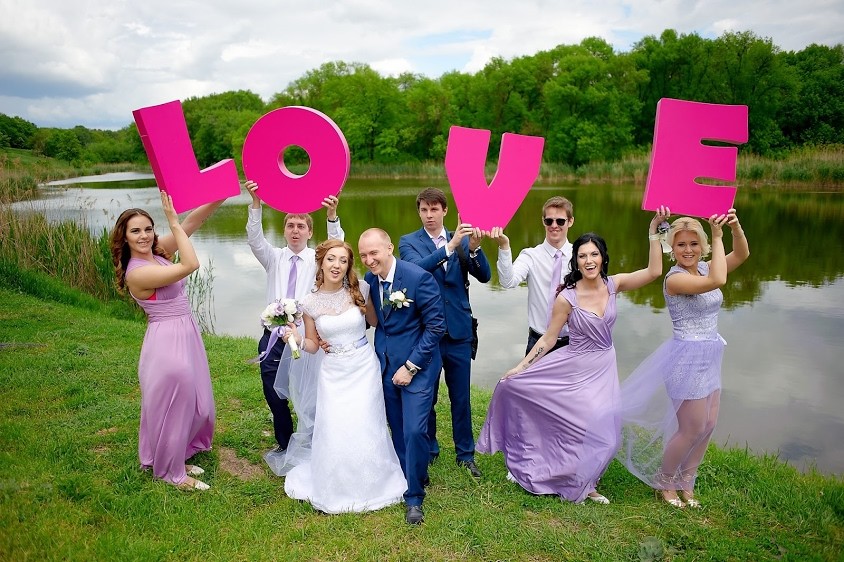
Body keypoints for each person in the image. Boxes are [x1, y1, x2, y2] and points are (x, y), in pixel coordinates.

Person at [477, 208, 670, 504]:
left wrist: (654, 231)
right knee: (577, 424)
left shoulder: (613, 285)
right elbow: (548, 338)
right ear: (576, 261)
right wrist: (520, 368)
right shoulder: (567, 297)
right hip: (575, 365)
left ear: (602, 258)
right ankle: (562, 476)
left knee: (606, 433)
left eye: (594, 255)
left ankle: (586, 480)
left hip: (604, 366)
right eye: (582, 256)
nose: (588, 261)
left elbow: (654, 272)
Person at [618, 210, 749, 508]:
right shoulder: (675, 279)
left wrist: (734, 227)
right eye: (681, 244)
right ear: (672, 248)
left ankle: (686, 481)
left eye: (693, 243)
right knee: (691, 428)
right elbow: (719, 279)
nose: (688, 250)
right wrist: (717, 235)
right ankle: (665, 482)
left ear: (702, 247)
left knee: (709, 424)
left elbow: (742, 255)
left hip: (711, 353)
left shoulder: (704, 268)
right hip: (686, 360)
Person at [280, 239, 407, 513]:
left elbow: (375, 322)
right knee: (336, 426)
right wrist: (297, 338)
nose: (336, 265)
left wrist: (394, 300)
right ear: (321, 263)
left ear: (349, 266)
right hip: (333, 371)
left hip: (363, 366)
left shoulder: (361, 289)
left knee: (366, 421)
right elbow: (313, 345)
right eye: (331, 259)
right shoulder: (309, 303)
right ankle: (336, 484)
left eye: (343, 260)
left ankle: (374, 481)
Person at [110, 191, 224, 491]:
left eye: (148, 228)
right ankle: (171, 473)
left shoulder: (157, 253)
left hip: (187, 334)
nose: (144, 236)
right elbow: (190, 265)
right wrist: (172, 221)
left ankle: (179, 455)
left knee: (198, 403)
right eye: (136, 231)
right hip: (166, 343)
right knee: (176, 405)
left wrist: (221, 193)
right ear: (124, 238)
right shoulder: (139, 273)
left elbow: (193, 222)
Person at [245, 179, 343, 472]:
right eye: (290, 225)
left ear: (310, 232)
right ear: (285, 230)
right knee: (272, 390)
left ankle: (314, 439)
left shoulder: (317, 260)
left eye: (301, 226)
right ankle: (285, 440)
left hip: (306, 336)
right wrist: (256, 204)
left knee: (310, 390)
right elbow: (254, 239)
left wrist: (332, 217)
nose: (296, 230)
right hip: (274, 336)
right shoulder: (273, 257)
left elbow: (337, 247)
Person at [398, 187, 490, 478]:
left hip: (460, 330)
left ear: (445, 211)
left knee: (461, 397)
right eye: (424, 210)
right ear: (419, 211)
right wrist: (450, 246)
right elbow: (415, 270)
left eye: (434, 209)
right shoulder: (408, 242)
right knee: (427, 396)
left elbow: (485, 275)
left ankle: (466, 454)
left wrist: (474, 249)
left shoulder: (463, 238)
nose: (429, 215)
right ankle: (430, 449)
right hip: (426, 333)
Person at [358, 228, 446, 525]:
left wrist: (410, 366)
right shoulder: (370, 280)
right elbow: (375, 321)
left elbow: (436, 327)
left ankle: (414, 498)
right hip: (385, 364)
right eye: (363, 255)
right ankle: (413, 473)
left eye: (374, 253)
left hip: (418, 367)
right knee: (396, 427)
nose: (369, 260)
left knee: (414, 430)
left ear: (389, 248)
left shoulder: (419, 278)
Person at [489, 196, 575, 356]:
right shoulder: (530, 256)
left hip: (573, 341)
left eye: (560, 221)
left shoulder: (580, 256)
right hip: (538, 340)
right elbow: (508, 282)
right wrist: (504, 246)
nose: (554, 226)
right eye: (549, 221)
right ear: (543, 222)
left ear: (570, 222)